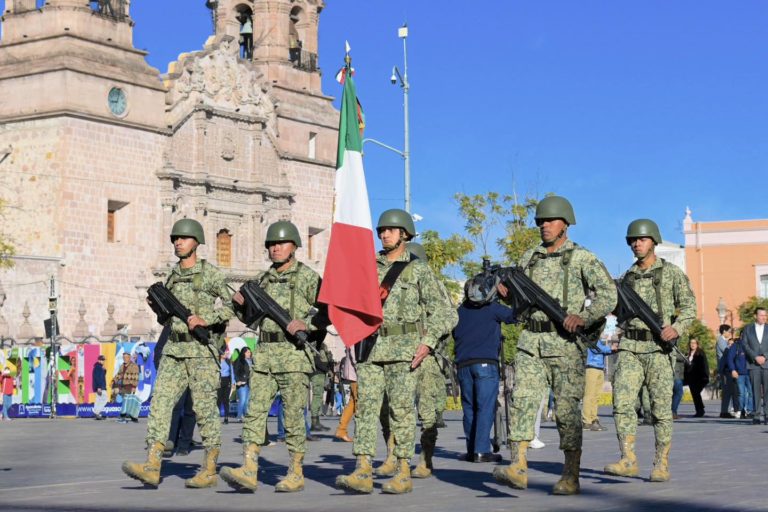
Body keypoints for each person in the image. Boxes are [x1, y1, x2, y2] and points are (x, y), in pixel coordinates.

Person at [493, 196, 616, 496]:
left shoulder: (581, 258)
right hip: (529, 342)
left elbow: (609, 295)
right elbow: (518, 298)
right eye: (540, 221)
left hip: (564, 344)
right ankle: (518, 467)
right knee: (521, 400)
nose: (543, 225)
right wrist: (506, 293)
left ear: (565, 224)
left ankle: (570, 474)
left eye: (549, 220)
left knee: (566, 411)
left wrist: (583, 317)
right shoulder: (529, 257)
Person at [335, 209, 457, 495]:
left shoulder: (418, 270)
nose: (384, 234)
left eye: (390, 229)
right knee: (366, 410)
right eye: (381, 230)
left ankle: (403, 471)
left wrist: (426, 342)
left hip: (404, 352)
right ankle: (363, 469)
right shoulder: (367, 267)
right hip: (370, 349)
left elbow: (446, 313)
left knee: (401, 412)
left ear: (405, 233)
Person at [122, 218, 234, 488]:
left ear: (196, 242)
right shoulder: (172, 275)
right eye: (175, 239)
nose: (177, 242)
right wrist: (158, 308)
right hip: (173, 348)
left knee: (205, 409)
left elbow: (234, 305)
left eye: (183, 238)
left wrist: (207, 319)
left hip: (200, 350)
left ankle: (209, 468)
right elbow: (167, 317)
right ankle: (152, 464)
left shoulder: (211, 273)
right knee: (160, 404)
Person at [222, 220, 327, 493]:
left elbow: (327, 312)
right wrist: (240, 307)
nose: (275, 248)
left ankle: (295, 471)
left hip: (293, 357)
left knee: (292, 416)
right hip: (264, 355)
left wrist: (307, 325)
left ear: (294, 246)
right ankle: (249, 468)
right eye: (271, 244)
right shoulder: (262, 280)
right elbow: (250, 318)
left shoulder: (307, 277)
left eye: (280, 243)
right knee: (254, 412)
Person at [605, 219, 696, 483]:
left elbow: (689, 307)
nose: (636, 244)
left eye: (642, 239)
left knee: (660, 409)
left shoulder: (671, 273)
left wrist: (676, 328)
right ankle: (628, 458)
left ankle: (661, 462)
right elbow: (616, 311)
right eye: (632, 240)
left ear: (653, 241)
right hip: (630, 347)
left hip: (658, 349)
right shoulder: (627, 278)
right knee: (621, 403)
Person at [453, 272, 515, 463]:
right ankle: (481, 451)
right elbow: (515, 316)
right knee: (485, 407)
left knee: (469, 408)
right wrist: (509, 296)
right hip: (486, 364)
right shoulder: (492, 308)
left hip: (463, 365)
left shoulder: (460, 311)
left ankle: (472, 450)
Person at [741, 307, 768, 425]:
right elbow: (745, 345)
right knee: (755, 390)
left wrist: (765, 356)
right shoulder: (748, 329)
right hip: (753, 364)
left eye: (765, 315)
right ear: (755, 316)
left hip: (767, 364)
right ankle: (756, 415)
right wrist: (755, 357)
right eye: (761, 315)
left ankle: (767, 414)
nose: (764, 317)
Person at [582, 337, 614, 431]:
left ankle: (593, 419)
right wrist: (611, 348)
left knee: (596, 396)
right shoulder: (591, 337)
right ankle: (586, 421)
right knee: (589, 395)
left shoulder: (598, 338)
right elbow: (597, 348)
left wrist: (612, 349)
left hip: (599, 368)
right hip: (591, 367)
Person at [726, 335, 754, 420]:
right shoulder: (736, 345)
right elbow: (730, 358)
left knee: (751, 393)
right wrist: (733, 370)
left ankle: (750, 411)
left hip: (751, 372)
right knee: (741, 393)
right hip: (739, 373)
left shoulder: (752, 345)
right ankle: (742, 411)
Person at [309, 341, 333, 432]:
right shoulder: (315, 347)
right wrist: (327, 370)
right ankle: (314, 423)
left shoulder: (320, 347)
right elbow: (317, 362)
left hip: (320, 375)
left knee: (319, 398)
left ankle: (317, 422)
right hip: (317, 375)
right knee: (317, 397)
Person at [335, 348, 357, 442]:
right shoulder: (356, 336)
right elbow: (355, 356)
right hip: (358, 375)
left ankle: (341, 430)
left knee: (352, 403)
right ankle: (361, 434)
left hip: (354, 375)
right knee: (359, 404)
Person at [684, 339, 710, 418]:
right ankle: (699, 410)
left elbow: (704, 365)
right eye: (691, 343)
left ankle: (700, 410)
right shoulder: (687, 354)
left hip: (700, 377)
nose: (692, 344)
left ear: (697, 344)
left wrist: (706, 376)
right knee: (695, 394)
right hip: (691, 377)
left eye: (694, 343)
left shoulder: (700, 353)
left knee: (696, 393)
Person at [716, 324, 737, 418]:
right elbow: (727, 351)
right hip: (724, 369)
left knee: (728, 390)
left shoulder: (724, 341)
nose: (730, 333)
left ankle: (725, 411)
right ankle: (723, 412)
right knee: (726, 391)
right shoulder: (721, 340)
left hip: (726, 368)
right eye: (729, 331)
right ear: (724, 331)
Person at [116, 352, 140, 424]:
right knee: (126, 401)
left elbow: (136, 377)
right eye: (123, 357)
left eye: (126, 357)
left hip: (130, 385)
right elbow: (119, 374)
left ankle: (123, 416)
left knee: (127, 401)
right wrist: (114, 380)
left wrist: (134, 386)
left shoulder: (134, 366)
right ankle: (132, 417)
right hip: (123, 386)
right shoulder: (122, 366)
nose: (124, 359)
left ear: (129, 358)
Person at [233, 347, 253, 422]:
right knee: (243, 400)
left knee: (247, 401)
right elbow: (235, 371)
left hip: (249, 383)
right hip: (242, 383)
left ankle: (245, 415)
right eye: (247, 352)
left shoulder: (250, 361)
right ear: (243, 353)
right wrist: (238, 381)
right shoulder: (239, 360)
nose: (249, 353)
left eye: (250, 352)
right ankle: (239, 416)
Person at [670, 350, 687, 420]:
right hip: (676, 375)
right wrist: (685, 356)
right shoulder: (671, 347)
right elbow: (682, 358)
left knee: (675, 393)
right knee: (679, 393)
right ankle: (673, 412)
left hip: (677, 374)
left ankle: (673, 412)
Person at [217, 349, 233, 424]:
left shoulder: (228, 361)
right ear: (220, 355)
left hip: (227, 380)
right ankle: (217, 417)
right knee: (219, 400)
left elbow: (231, 372)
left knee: (226, 400)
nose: (226, 355)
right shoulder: (217, 362)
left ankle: (226, 417)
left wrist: (233, 382)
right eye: (224, 354)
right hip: (220, 381)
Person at [92, 355, 108, 420]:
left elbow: (101, 376)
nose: (103, 361)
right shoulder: (98, 367)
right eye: (102, 360)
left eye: (104, 360)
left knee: (98, 400)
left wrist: (104, 371)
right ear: (99, 360)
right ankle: (97, 412)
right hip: (100, 387)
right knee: (105, 399)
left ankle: (97, 413)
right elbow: (98, 378)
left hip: (99, 386)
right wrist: (99, 387)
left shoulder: (98, 367)